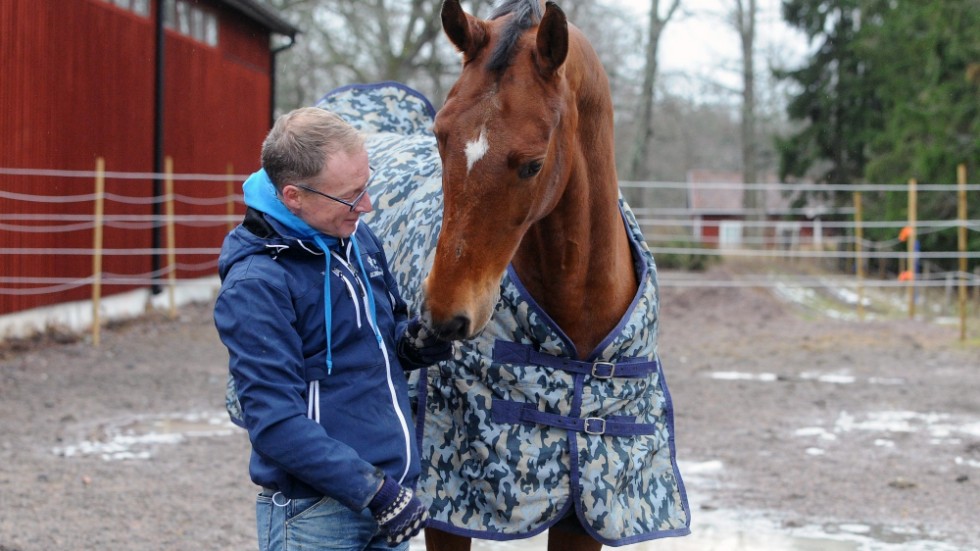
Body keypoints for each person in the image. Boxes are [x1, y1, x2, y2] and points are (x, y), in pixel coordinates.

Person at [213, 106, 451, 551]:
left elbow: (374, 341)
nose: (367, 205)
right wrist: (374, 491)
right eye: (349, 196)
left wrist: (415, 344)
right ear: (293, 197)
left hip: (386, 500)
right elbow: (274, 423)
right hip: (318, 518)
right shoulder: (257, 285)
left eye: (366, 185)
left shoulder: (357, 239)